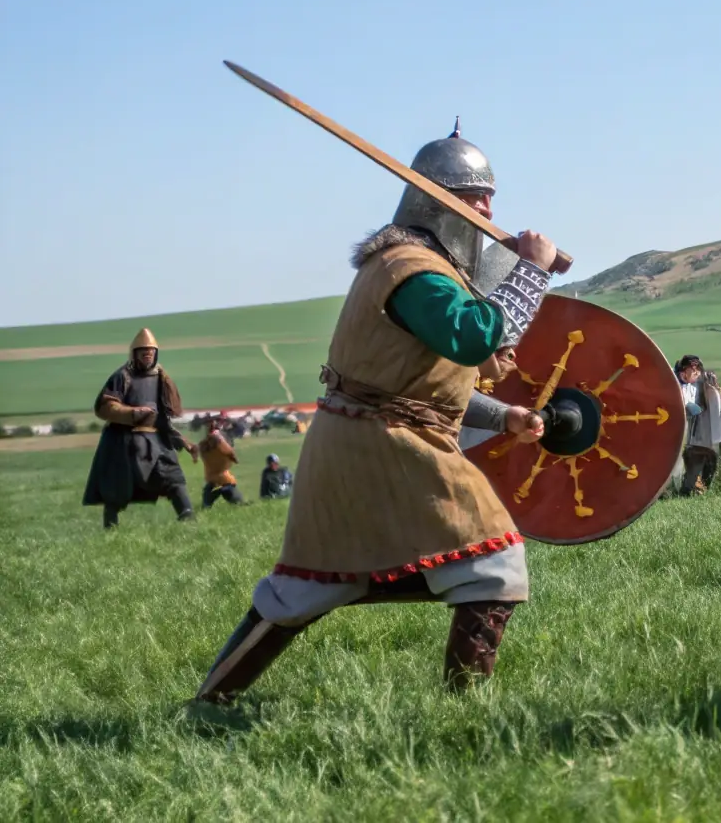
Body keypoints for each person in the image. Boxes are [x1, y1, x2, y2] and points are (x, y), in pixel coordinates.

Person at [195, 121, 558, 704]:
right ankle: (461, 711)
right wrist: (531, 272)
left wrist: (502, 417)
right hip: (385, 444)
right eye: (473, 195)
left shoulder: (425, 271)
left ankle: (212, 702)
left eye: (490, 193)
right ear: (436, 199)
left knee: (309, 588)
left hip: (378, 439)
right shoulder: (409, 268)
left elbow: (426, 385)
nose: (487, 206)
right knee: (493, 563)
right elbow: (471, 339)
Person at [83, 329, 199, 528]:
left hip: (155, 440)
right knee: (118, 486)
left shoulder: (161, 377)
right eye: (143, 351)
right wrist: (134, 413)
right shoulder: (122, 376)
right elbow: (105, 406)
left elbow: (162, 417)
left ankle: (187, 516)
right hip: (124, 441)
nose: (148, 355)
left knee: (172, 476)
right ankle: (110, 526)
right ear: (134, 353)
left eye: (151, 351)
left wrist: (184, 443)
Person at [675, 356, 721, 495]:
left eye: (698, 372)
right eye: (694, 371)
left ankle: (692, 491)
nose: (697, 374)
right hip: (681, 436)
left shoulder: (696, 387)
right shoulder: (674, 387)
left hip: (697, 437)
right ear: (683, 372)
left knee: (702, 467)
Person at [200, 428, 246, 508]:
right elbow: (233, 456)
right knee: (236, 500)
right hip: (225, 480)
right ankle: (240, 502)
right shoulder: (222, 448)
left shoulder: (204, 448)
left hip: (212, 480)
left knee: (206, 502)